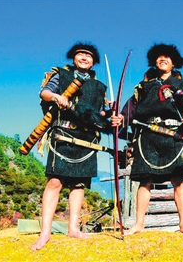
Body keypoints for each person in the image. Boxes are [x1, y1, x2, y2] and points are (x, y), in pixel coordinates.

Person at [111, 43, 183, 235]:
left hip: (175, 135)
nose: (163, 59)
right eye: (159, 57)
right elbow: (130, 110)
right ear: (154, 61)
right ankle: (138, 224)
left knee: (178, 179)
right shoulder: (143, 87)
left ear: (173, 63)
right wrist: (121, 118)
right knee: (145, 180)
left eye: (167, 57)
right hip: (148, 137)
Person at [31, 42, 110, 250]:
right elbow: (44, 93)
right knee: (55, 181)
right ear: (74, 58)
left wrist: (112, 117)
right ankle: (45, 233)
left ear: (93, 61)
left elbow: (101, 112)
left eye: (88, 55)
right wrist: (57, 96)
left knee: (79, 184)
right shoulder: (61, 74)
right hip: (63, 133)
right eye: (80, 54)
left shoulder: (100, 86)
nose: (84, 57)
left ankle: (73, 228)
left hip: (87, 138)